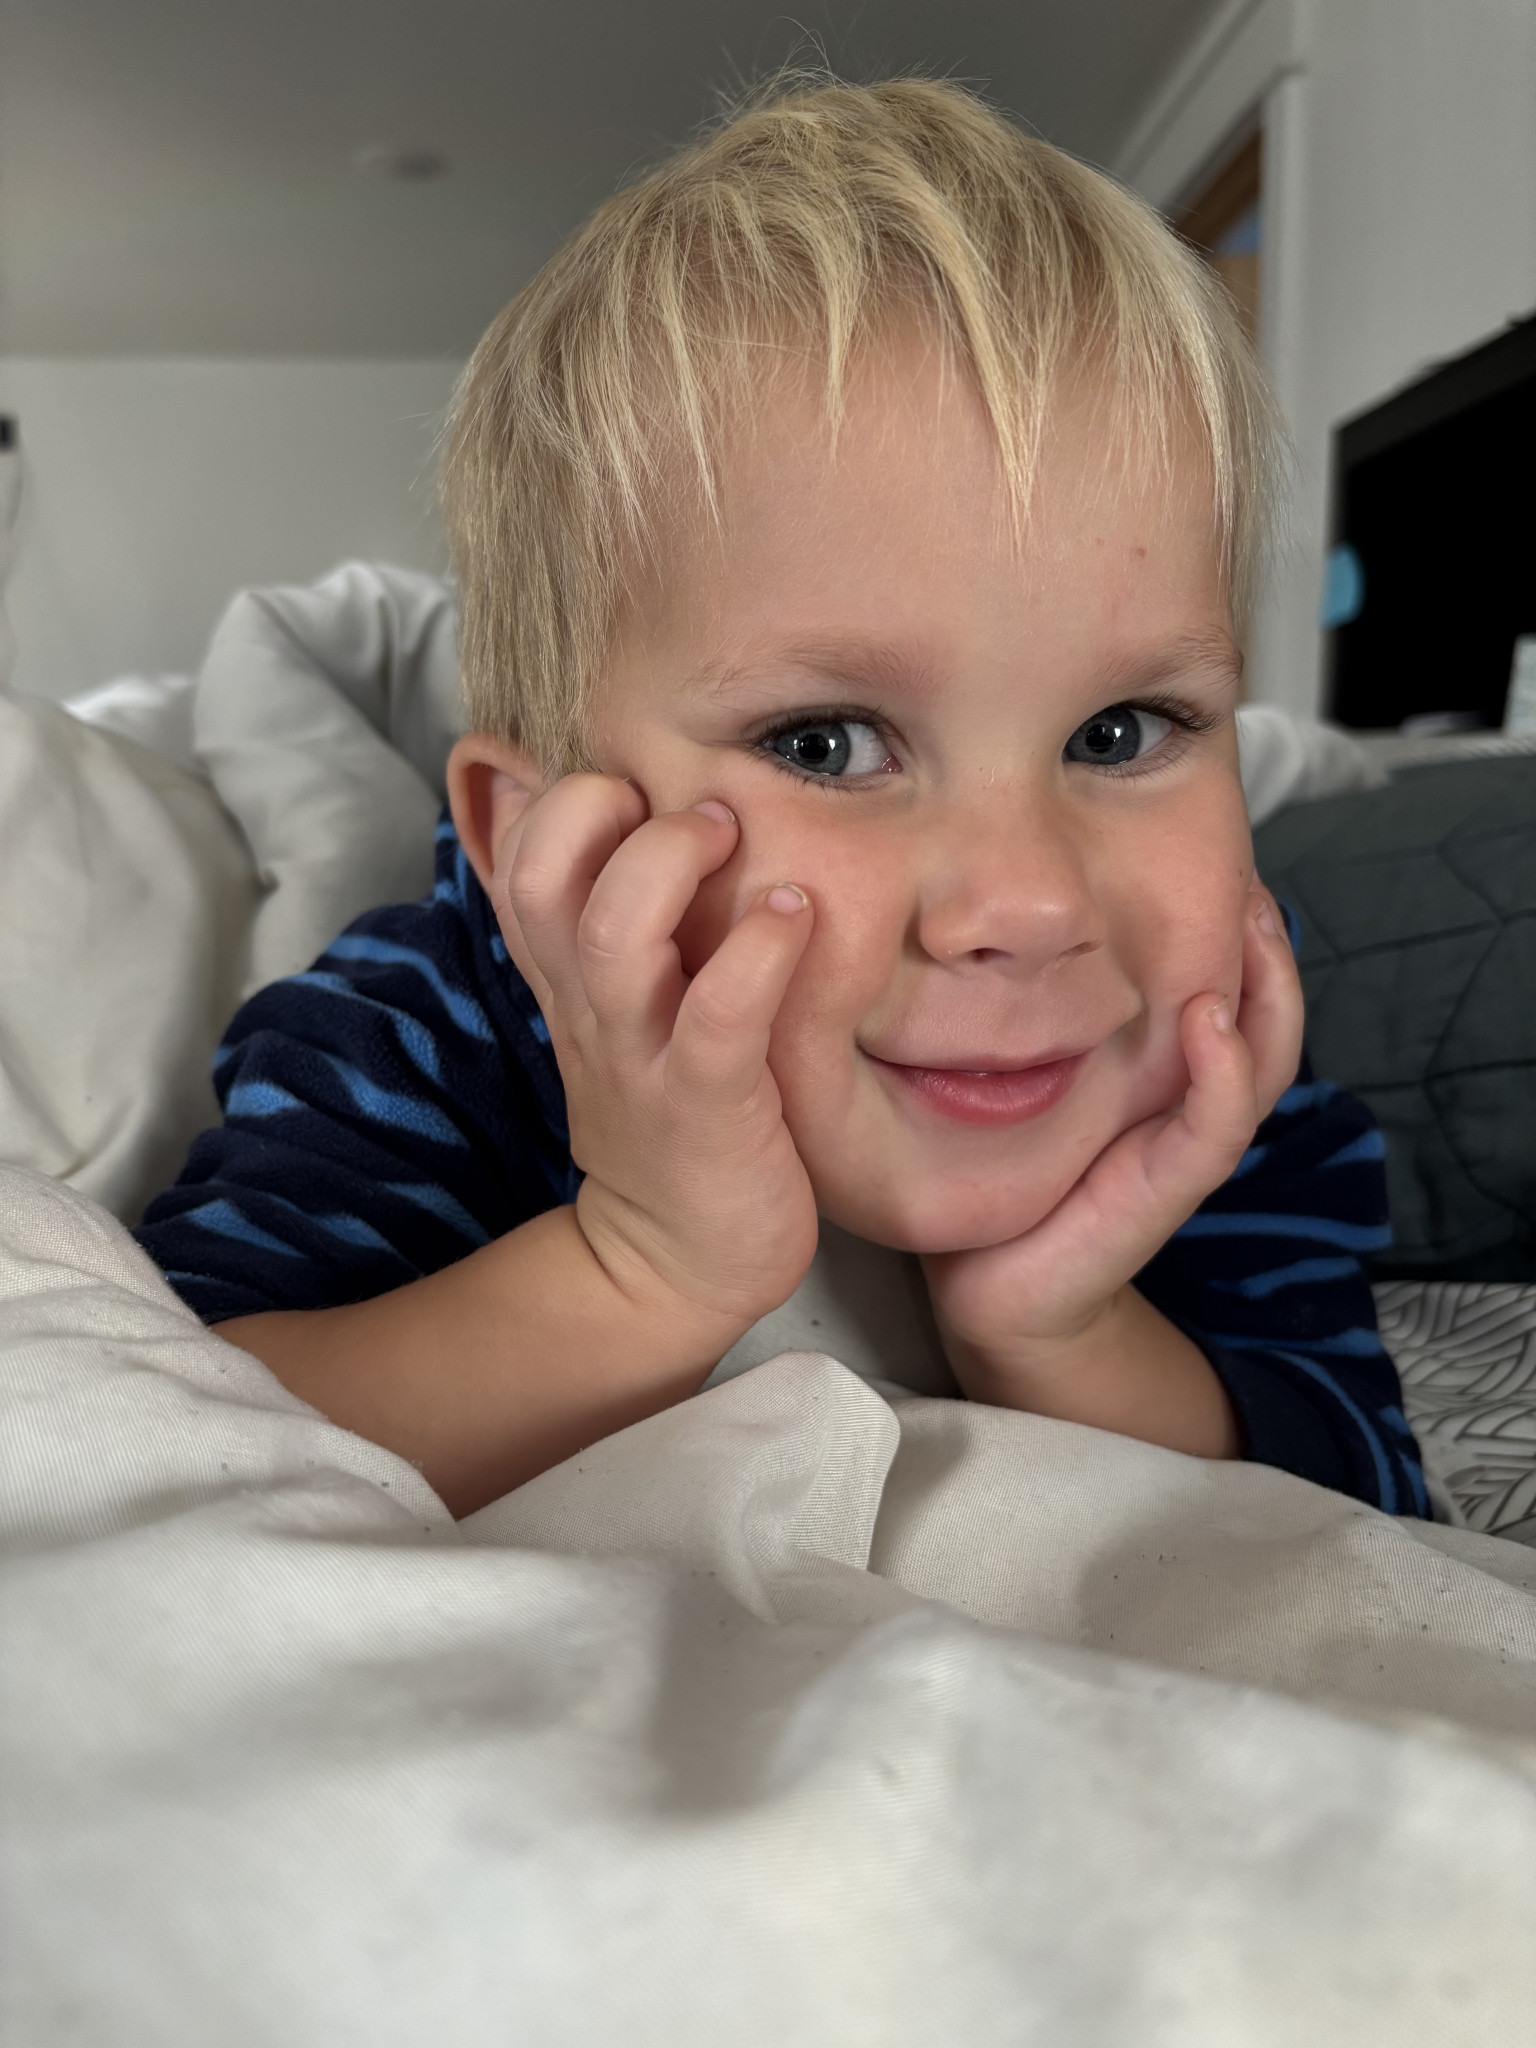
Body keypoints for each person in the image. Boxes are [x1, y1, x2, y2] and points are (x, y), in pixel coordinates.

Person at [136, 78, 1426, 1523]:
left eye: (1120, 732)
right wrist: (643, 1263)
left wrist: (1061, 1327)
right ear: (535, 840)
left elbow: (1368, 1502)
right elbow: (165, 1446)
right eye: (826, 743)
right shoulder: (433, 1031)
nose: (1028, 902)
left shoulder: (1202, 1082)